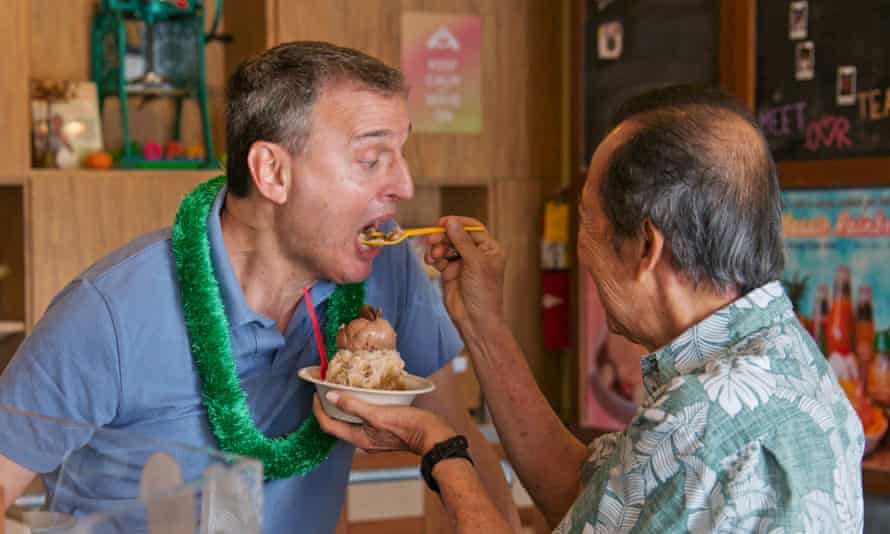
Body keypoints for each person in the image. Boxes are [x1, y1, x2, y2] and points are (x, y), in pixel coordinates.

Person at [0, 41, 519, 533]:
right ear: (272, 171)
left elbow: (456, 442)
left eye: (402, 154)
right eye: (370, 160)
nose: (404, 185)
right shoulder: (109, 311)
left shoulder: (389, 270)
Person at [316, 86, 865, 532]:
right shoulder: (787, 355)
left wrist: (437, 444)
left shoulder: (698, 420)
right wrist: (482, 326)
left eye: (587, 222)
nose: (581, 247)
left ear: (646, 248)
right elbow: (590, 499)